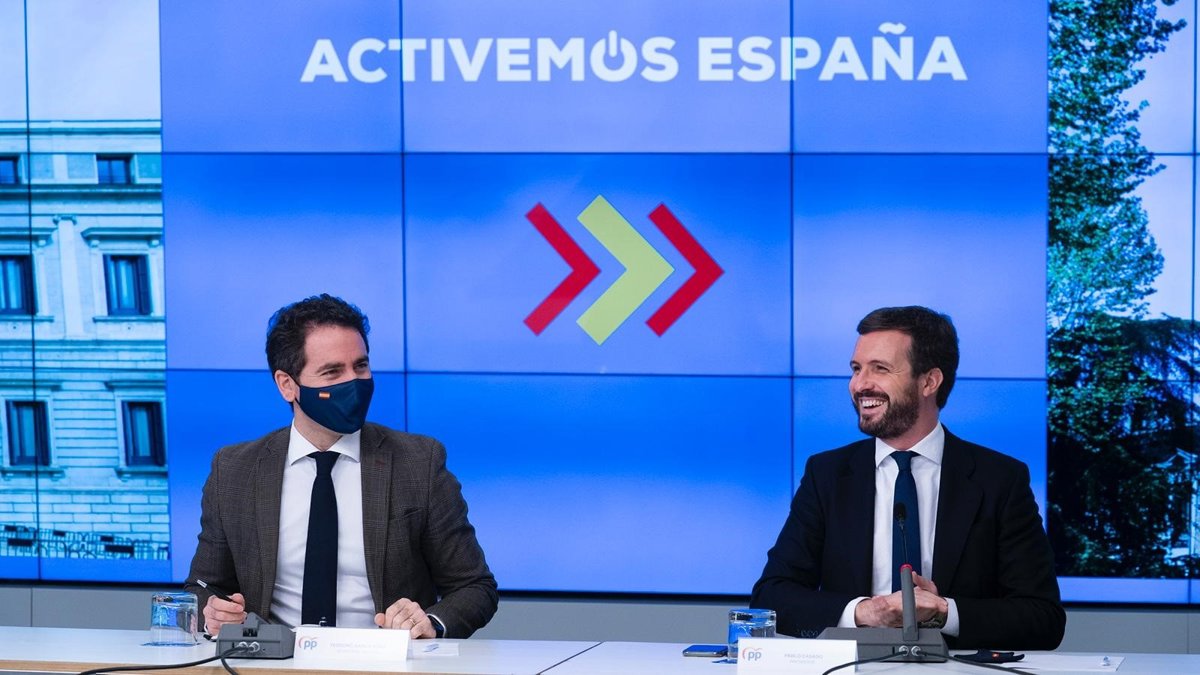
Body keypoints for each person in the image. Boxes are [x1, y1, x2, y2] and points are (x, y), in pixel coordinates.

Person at [751, 306, 1065, 650]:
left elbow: (1043, 618)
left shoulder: (999, 480)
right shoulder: (826, 474)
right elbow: (771, 597)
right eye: (856, 369)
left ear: (929, 381)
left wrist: (944, 612)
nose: (860, 385)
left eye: (880, 369)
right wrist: (866, 612)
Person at [186, 294, 497, 639]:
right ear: (287, 385)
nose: (354, 382)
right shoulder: (234, 470)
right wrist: (214, 612)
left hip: (385, 661)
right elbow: (203, 586)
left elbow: (474, 587)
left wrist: (430, 622)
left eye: (360, 366)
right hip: (274, 660)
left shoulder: (419, 462)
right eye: (332, 372)